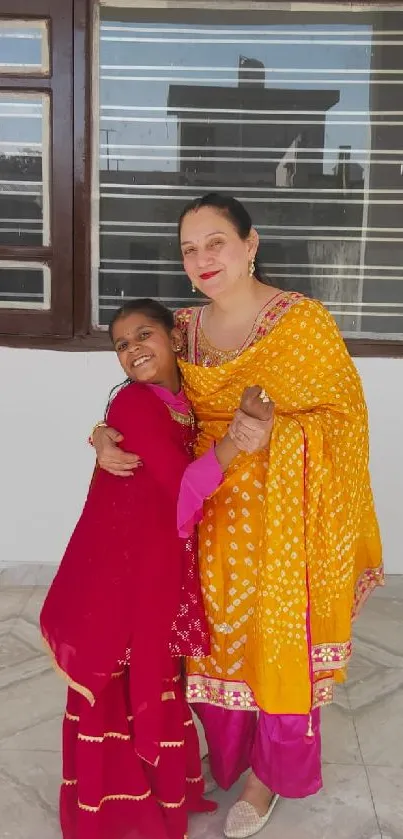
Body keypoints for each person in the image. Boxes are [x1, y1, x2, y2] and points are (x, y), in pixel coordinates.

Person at [92, 195, 383, 839]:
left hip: (287, 525)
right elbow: (148, 398)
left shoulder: (303, 322)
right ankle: (227, 756)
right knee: (214, 645)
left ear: (251, 243)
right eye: (190, 249)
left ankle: (267, 775)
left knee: (276, 648)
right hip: (206, 518)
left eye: (215, 242)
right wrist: (103, 433)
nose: (202, 259)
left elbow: (344, 423)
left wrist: (277, 433)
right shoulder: (186, 330)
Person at [40, 297, 273, 839]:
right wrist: (240, 438)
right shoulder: (138, 403)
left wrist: (96, 434)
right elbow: (183, 485)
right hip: (119, 571)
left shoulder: (179, 400)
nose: (132, 350)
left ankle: (157, 790)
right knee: (119, 675)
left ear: (172, 338)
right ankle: (123, 810)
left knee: (149, 672)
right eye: (121, 345)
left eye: (143, 335)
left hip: (148, 563)